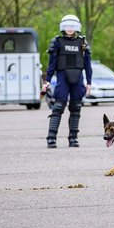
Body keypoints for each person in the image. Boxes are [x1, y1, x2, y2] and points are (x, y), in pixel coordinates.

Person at [43, 14, 92, 148]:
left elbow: (88, 65)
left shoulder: (82, 42)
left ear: (77, 27)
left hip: (78, 79)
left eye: (72, 26)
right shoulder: (57, 42)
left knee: (76, 108)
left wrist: (89, 83)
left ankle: (73, 138)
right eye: (67, 26)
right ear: (63, 27)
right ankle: (51, 138)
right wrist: (47, 81)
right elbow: (52, 63)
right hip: (62, 78)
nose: (70, 29)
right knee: (58, 108)